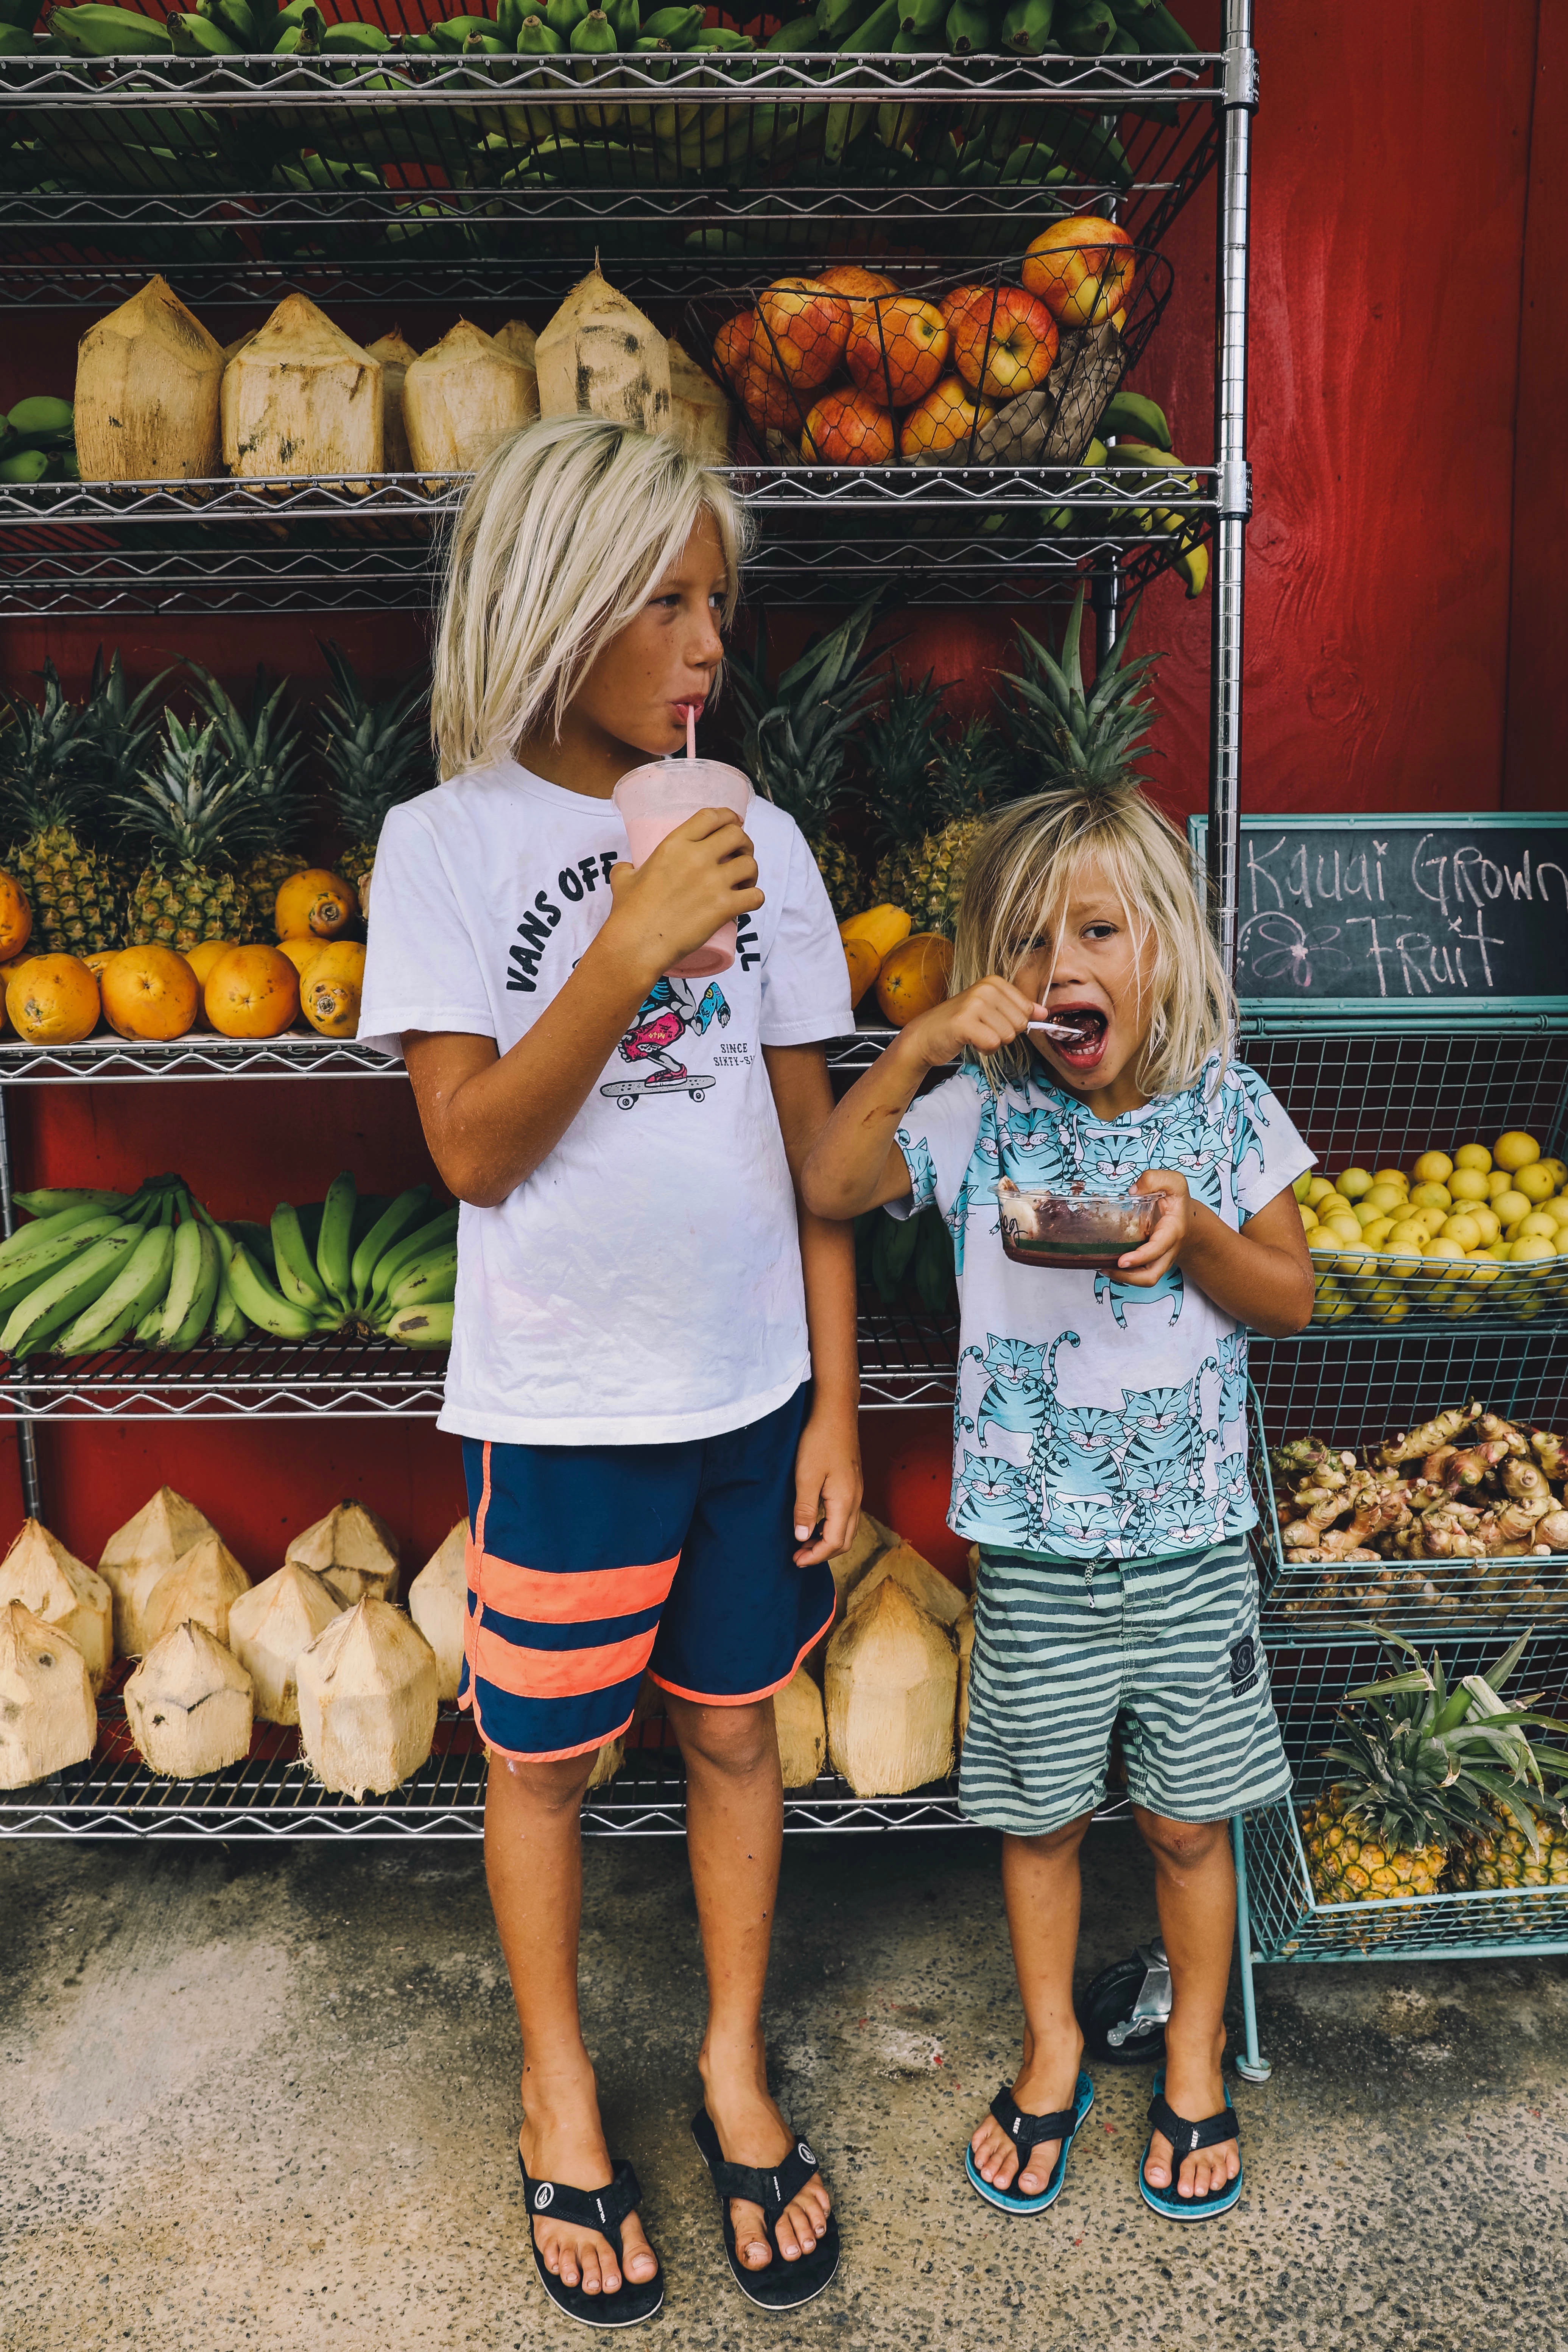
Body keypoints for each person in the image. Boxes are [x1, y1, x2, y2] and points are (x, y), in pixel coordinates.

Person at [358, 415, 860, 2325]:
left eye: (717, 600)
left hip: (745, 1401)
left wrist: (831, 1403)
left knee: (738, 1728)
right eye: (663, 600)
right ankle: (557, 2089)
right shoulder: (448, 846)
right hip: (563, 1416)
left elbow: (817, 1167)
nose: (704, 640)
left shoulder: (768, 844)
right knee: (548, 1757)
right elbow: (474, 1148)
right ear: (555, 605)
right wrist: (627, 952)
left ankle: (734, 2061)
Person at [802, 782, 1315, 2223]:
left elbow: (1293, 1296)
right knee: (1038, 1821)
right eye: (1026, 946)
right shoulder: (980, 1111)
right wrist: (917, 1046)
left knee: (1188, 1823)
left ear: (1167, 948)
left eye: (1096, 930)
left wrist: (1198, 1234)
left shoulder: (1227, 1106)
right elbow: (832, 1181)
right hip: (1031, 1552)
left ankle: (1198, 2061)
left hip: (1192, 1548)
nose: (1061, 968)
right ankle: (1052, 2054)